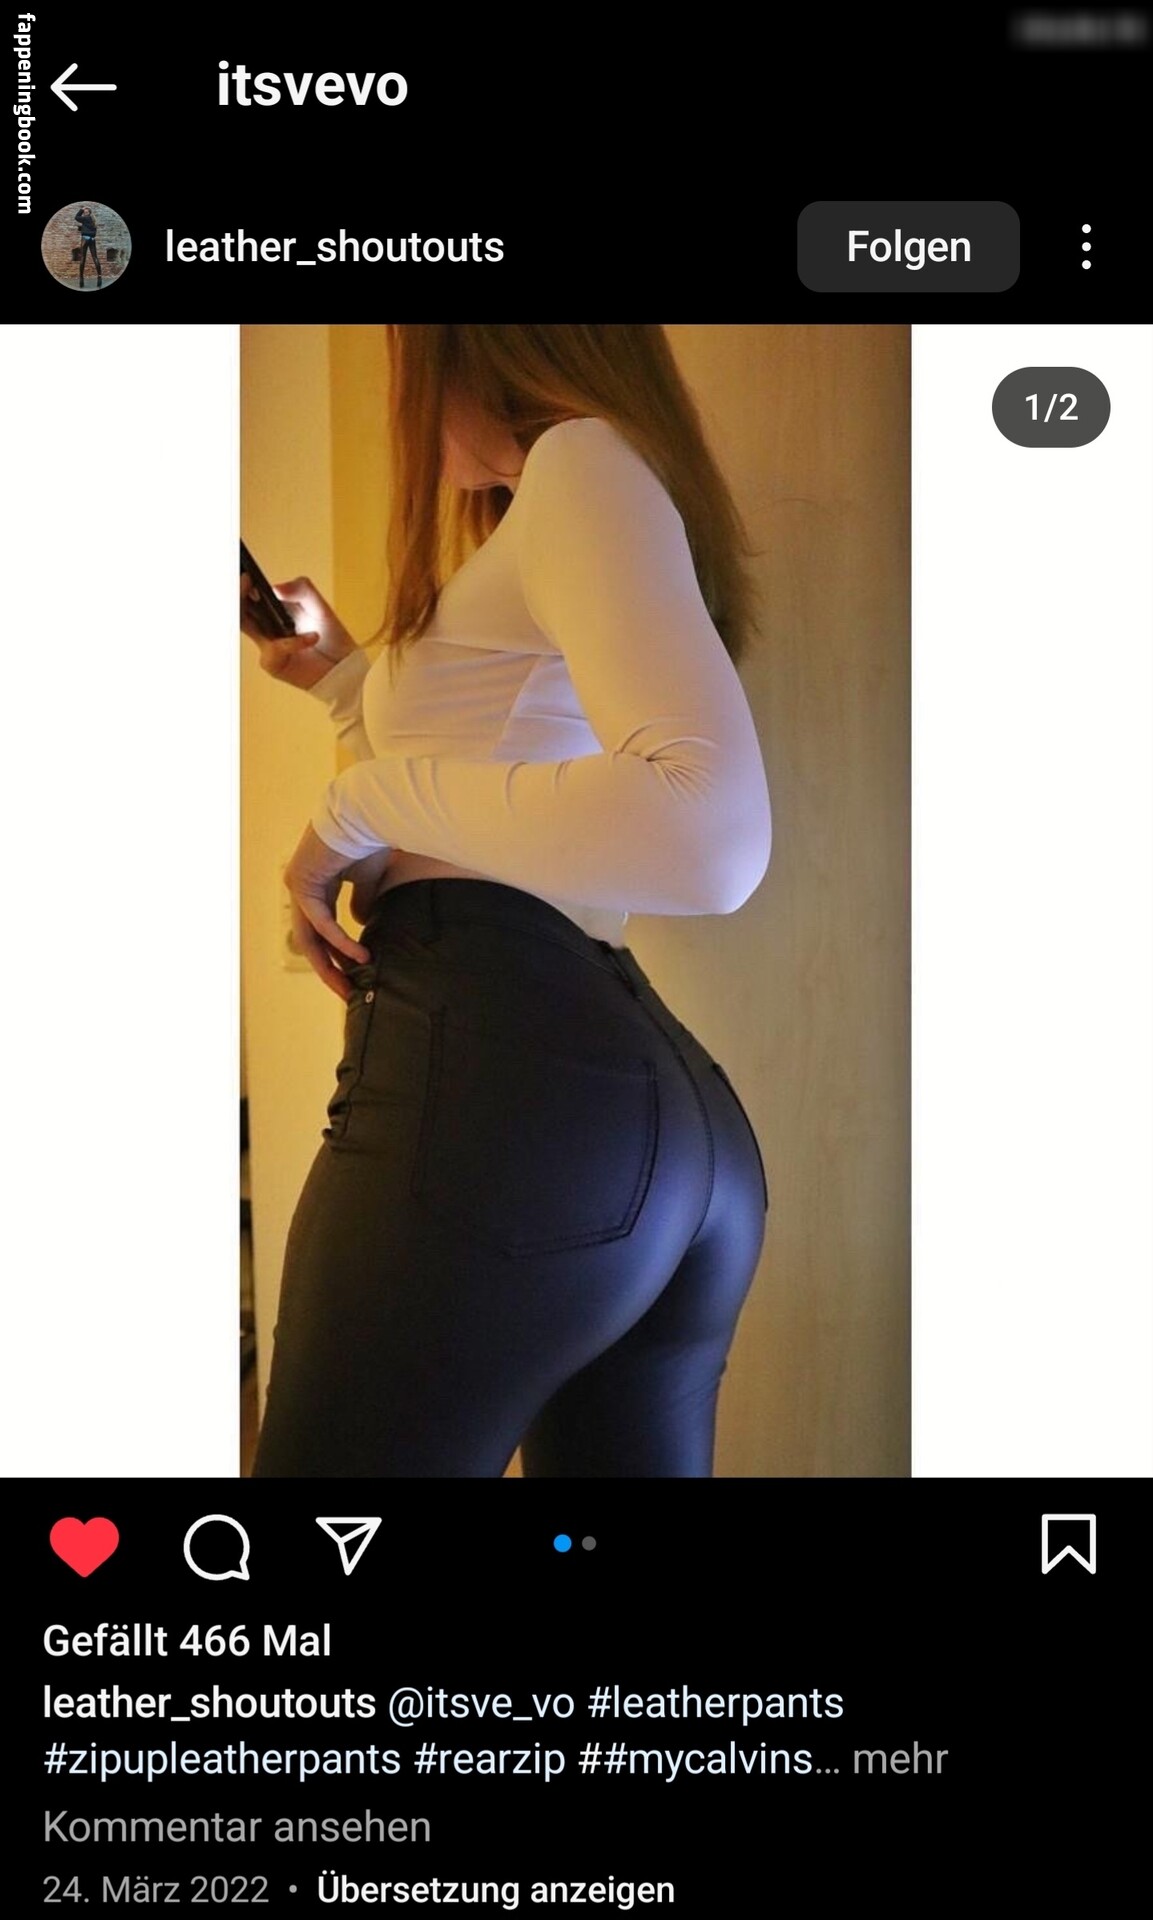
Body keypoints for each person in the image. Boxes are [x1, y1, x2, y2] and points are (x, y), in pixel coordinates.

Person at [245, 324, 772, 1478]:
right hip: (613, 1104)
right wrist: (346, 687)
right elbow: (495, 787)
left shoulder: (580, 461)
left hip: (500, 1086)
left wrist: (352, 810)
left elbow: (709, 837)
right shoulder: (572, 497)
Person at [74, 208, 102, 287]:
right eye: (84, 212)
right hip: (92, 239)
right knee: (95, 257)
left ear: (89, 213)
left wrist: (81, 209)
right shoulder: (93, 220)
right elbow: (92, 230)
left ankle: (81, 279)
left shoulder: (85, 218)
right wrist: (82, 228)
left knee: (83, 258)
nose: (84, 213)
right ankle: (99, 277)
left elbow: (76, 217)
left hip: (85, 239)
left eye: (85, 212)